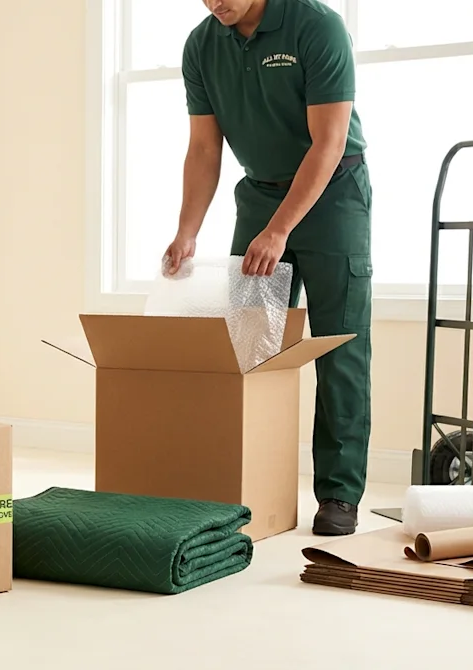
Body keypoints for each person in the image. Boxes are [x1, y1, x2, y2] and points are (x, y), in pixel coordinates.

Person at [163, 0, 373, 535]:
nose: (215, 2)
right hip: (260, 193)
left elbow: (329, 142)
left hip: (334, 194)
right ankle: (248, 481)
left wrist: (280, 231)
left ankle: (339, 494)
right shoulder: (202, 45)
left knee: (340, 346)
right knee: (248, 346)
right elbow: (204, 148)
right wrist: (187, 230)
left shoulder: (317, 26)